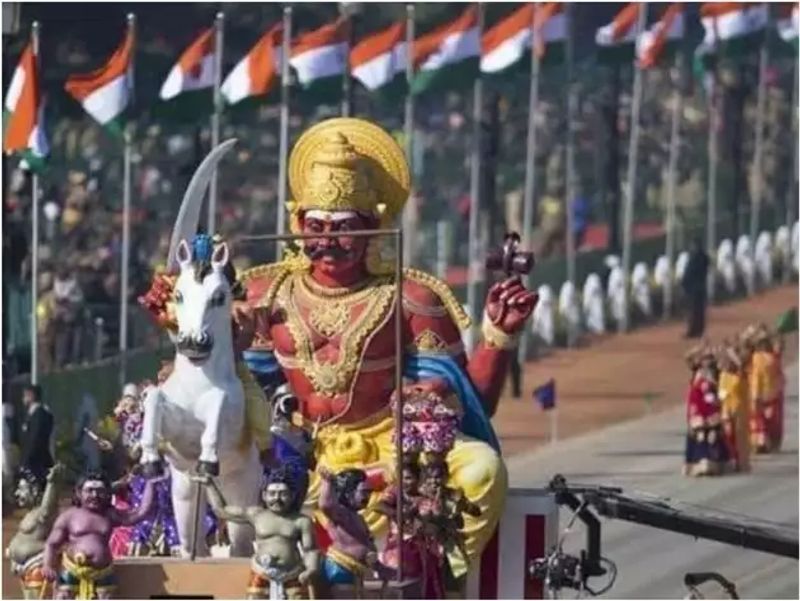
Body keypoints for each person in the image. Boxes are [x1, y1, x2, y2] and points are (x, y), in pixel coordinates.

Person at [233, 117, 537, 578]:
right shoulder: (263, 295)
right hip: (299, 462)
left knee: (481, 469)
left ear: (375, 224)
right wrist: (203, 330)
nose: (327, 241)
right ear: (296, 222)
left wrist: (499, 335)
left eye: (344, 227)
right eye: (315, 225)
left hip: (392, 457)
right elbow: (236, 389)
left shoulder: (412, 299)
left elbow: (474, 406)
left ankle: (433, 578)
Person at [43, 470, 165, 599]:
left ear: (107, 494)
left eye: (100, 491)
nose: (95, 495)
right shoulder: (68, 516)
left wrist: (151, 482)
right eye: (89, 490)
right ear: (79, 493)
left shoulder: (110, 515)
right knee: (63, 596)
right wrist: (47, 565)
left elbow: (140, 513)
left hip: (103, 572)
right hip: (72, 569)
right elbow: (52, 544)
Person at [201, 467, 319, 600]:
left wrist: (310, 569)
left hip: (293, 574)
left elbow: (311, 549)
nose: (277, 498)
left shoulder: (301, 521)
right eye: (272, 493)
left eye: (282, 493)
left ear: (292, 495)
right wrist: (209, 485)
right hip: (261, 572)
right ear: (264, 495)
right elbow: (221, 510)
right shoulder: (256, 515)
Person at [318, 467, 391, 592]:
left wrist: (380, 567)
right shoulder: (341, 514)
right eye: (364, 492)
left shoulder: (358, 517)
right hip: (340, 568)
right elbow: (326, 505)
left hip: (357, 570)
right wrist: (328, 482)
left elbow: (366, 543)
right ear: (348, 492)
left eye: (369, 492)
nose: (367, 497)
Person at [6, 464, 64, 599]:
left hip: (37, 567)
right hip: (23, 568)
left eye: (21, 489)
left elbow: (47, 508)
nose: (17, 494)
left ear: (35, 490)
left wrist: (52, 484)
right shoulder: (29, 513)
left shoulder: (43, 514)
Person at [683, 348, 728, 477]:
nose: (707, 361)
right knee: (700, 435)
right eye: (704, 358)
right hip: (697, 409)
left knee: (713, 436)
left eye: (709, 358)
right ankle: (699, 463)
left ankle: (715, 462)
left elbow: (719, 389)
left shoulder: (716, 373)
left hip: (712, 410)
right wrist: (698, 349)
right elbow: (687, 358)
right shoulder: (697, 372)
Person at [717, 344, 750, 473]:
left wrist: (732, 354)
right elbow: (721, 394)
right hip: (726, 410)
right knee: (728, 437)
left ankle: (741, 463)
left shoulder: (741, 376)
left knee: (740, 438)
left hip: (739, 411)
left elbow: (741, 365)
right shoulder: (723, 376)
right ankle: (730, 461)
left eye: (730, 363)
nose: (727, 365)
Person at [19, 384, 54, 485]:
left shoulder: (39, 415)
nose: (23, 399)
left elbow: (35, 439)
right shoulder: (34, 414)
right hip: (35, 461)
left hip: (36, 463)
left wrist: (26, 461)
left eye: (25, 395)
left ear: (31, 395)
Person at [682, 238, 710, 339]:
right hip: (701, 286)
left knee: (693, 310)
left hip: (693, 287)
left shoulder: (694, 257)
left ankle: (693, 331)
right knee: (699, 310)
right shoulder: (704, 257)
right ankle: (699, 330)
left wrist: (684, 283)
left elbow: (689, 273)